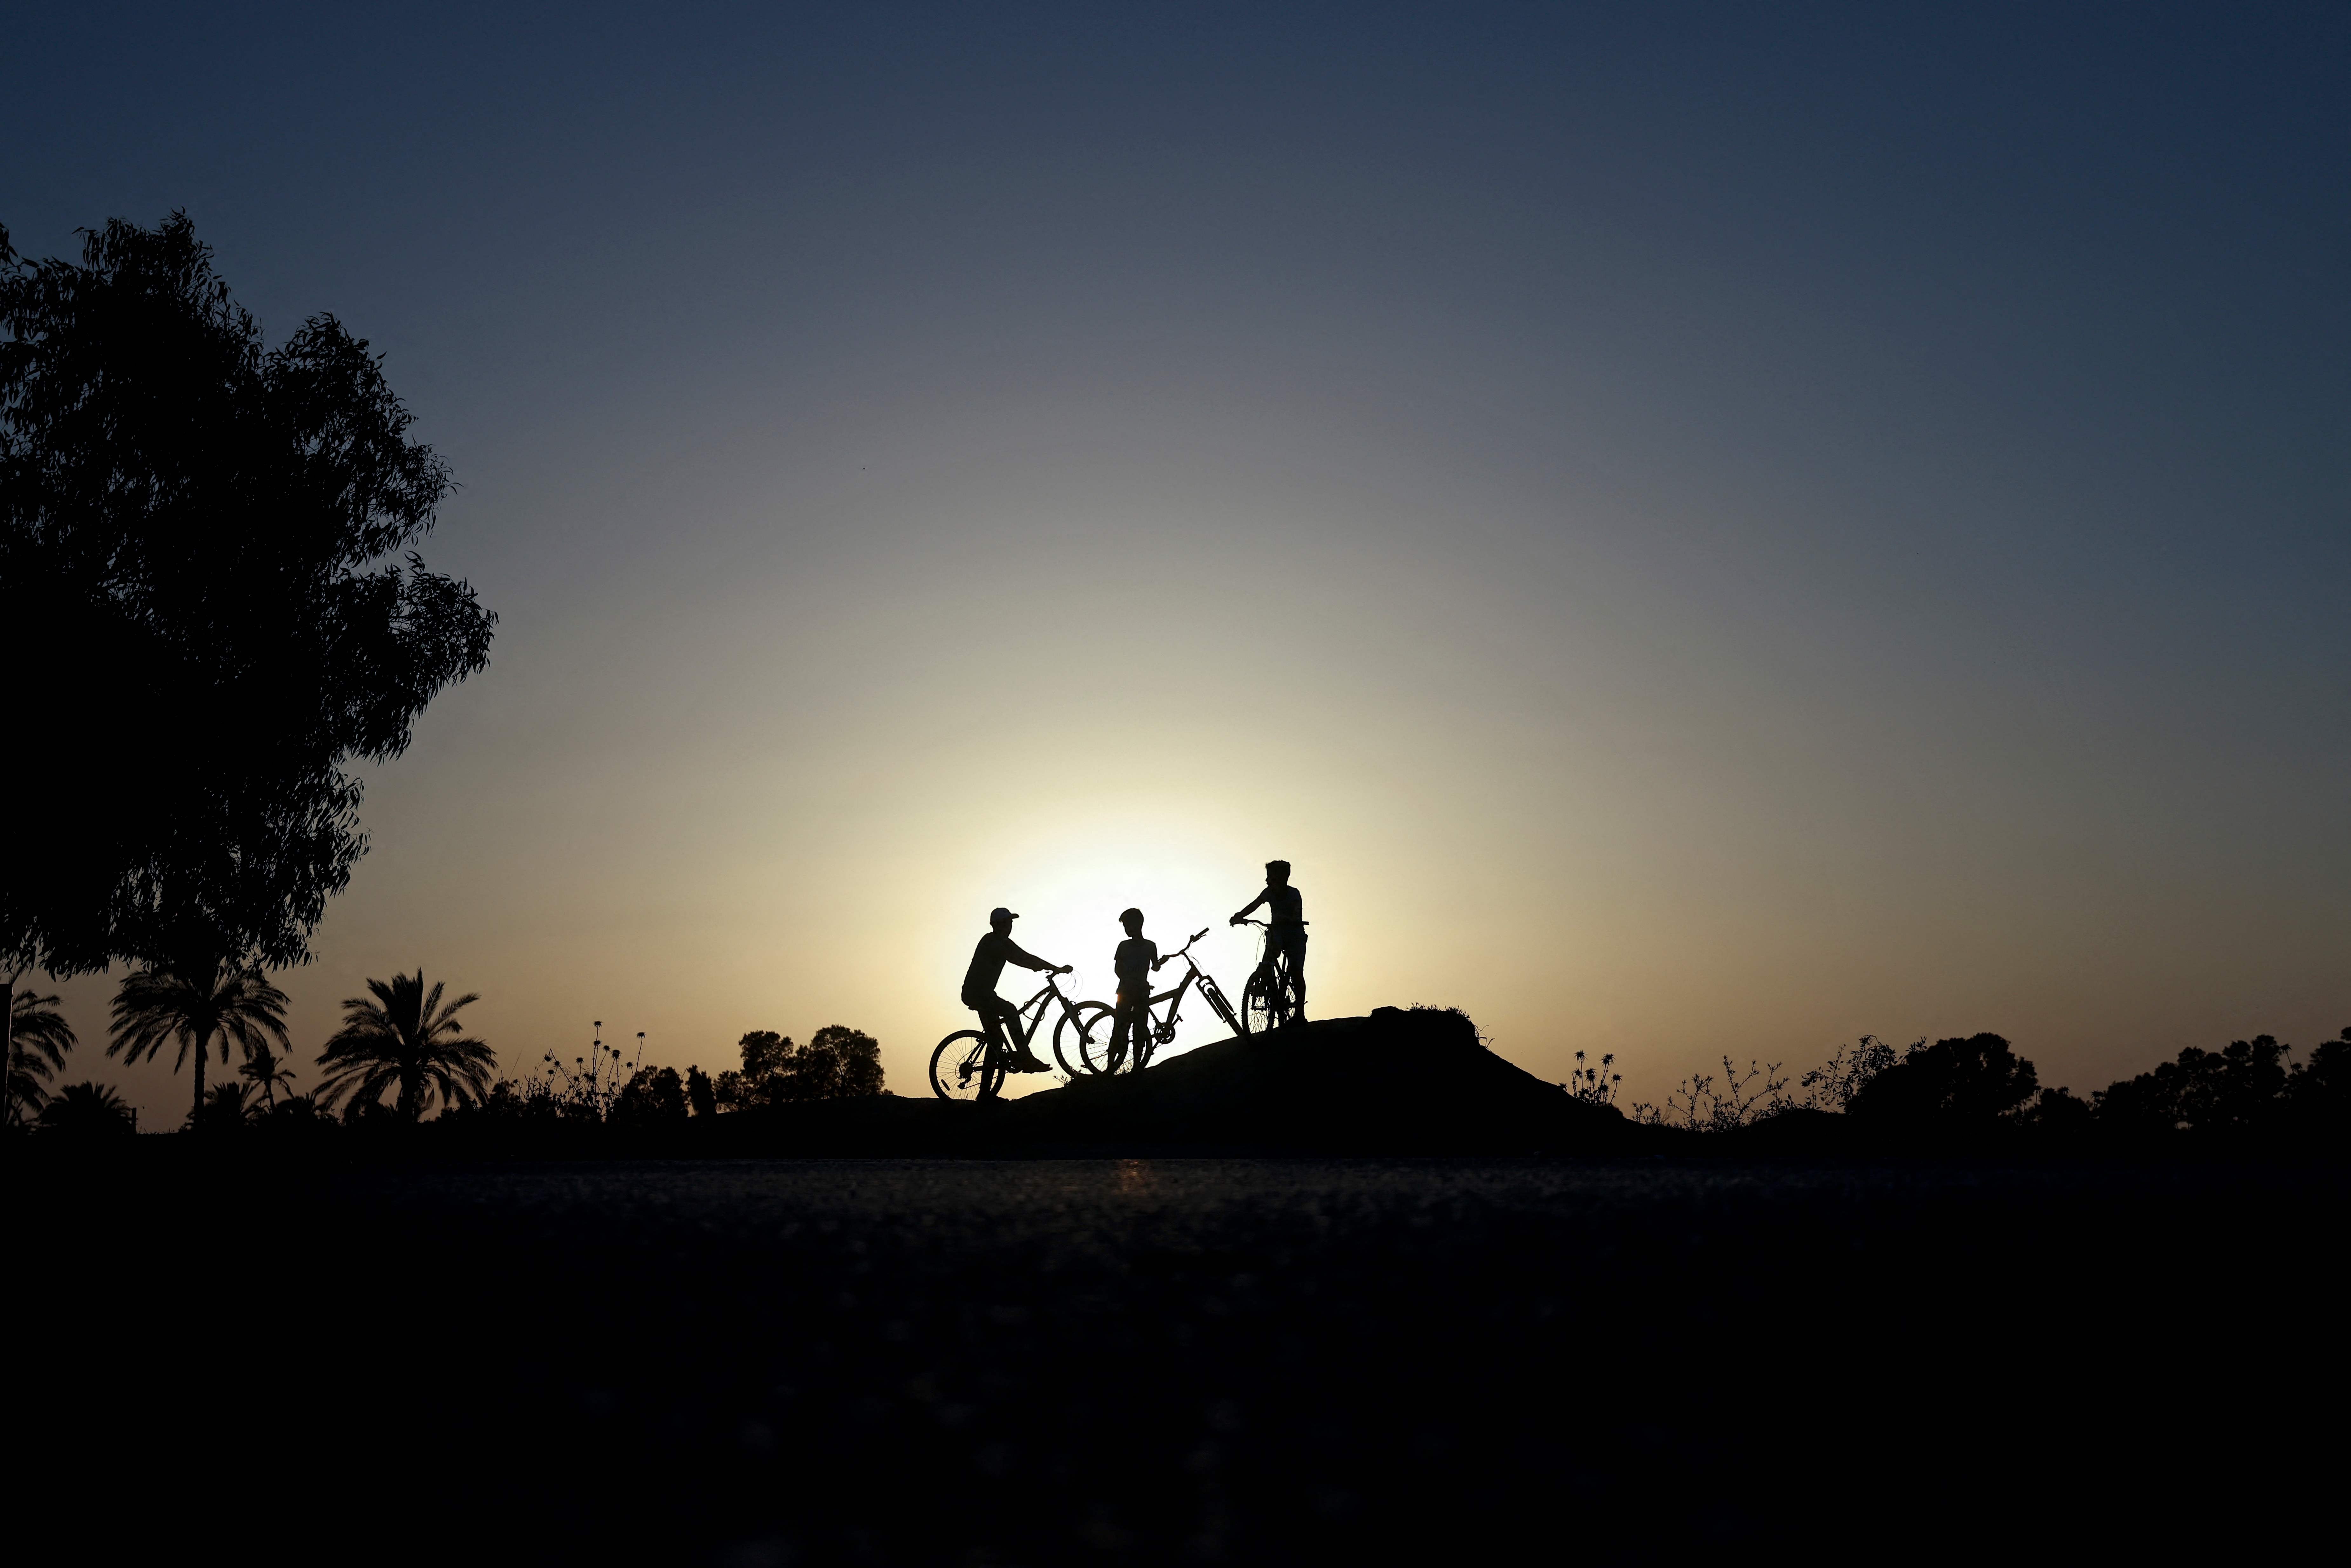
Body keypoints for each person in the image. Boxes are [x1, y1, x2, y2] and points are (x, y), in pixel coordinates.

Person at [962, 907, 1068, 1072]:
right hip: (979, 995)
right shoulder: (995, 942)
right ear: (1001, 925)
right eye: (1009, 923)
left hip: (981, 994)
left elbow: (1024, 957)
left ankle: (985, 1095)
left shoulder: (998, 941)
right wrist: (1054, 968)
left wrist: (1048, 967)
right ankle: (1026, 1058)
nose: (1011, 926)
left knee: (995, 1041)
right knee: (1010, 1011)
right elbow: (1023, 958)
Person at [1230, 860, 1307, 1024]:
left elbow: (1296, 915)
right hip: (1278, 934)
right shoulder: (1269, 893)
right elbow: (1255, 904)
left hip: (1295, 937)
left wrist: (1285, 919)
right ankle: (1264, 981)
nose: (1267, 881)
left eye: (1271, 878)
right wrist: (1240, 916)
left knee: (1296, 971)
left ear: (1282, 878)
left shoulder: (1294, 894)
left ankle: (1300, 1014)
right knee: (1268, 957)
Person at [1108, 908, 1162, 1071]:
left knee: (1122, 1027)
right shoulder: (1150, 946)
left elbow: (1118, 970)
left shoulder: (1124, 946)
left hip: (1126, 990)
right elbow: (1156, 968)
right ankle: (1135, 1066)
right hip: (1139, 990)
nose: (1126, 930)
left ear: (1137, 925)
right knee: (1137, 1027)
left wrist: (1128, 980)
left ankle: (1113, 1067)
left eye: (1127, 926)